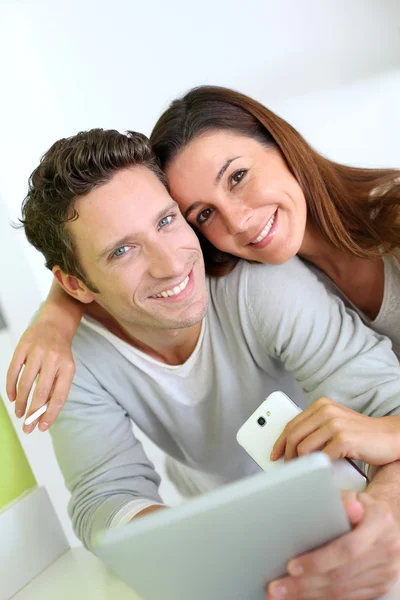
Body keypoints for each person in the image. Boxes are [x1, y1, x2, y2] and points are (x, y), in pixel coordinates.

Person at [12, 128, 400, 600]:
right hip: (217, 533)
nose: (171, 265)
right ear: (75, 285)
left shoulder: (261, 285)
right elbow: (103, 497)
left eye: (166, 221)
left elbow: (385, 401)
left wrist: (384, 514)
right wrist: (217, 543)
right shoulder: (67, 362)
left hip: (341, 504)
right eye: (122, 251)